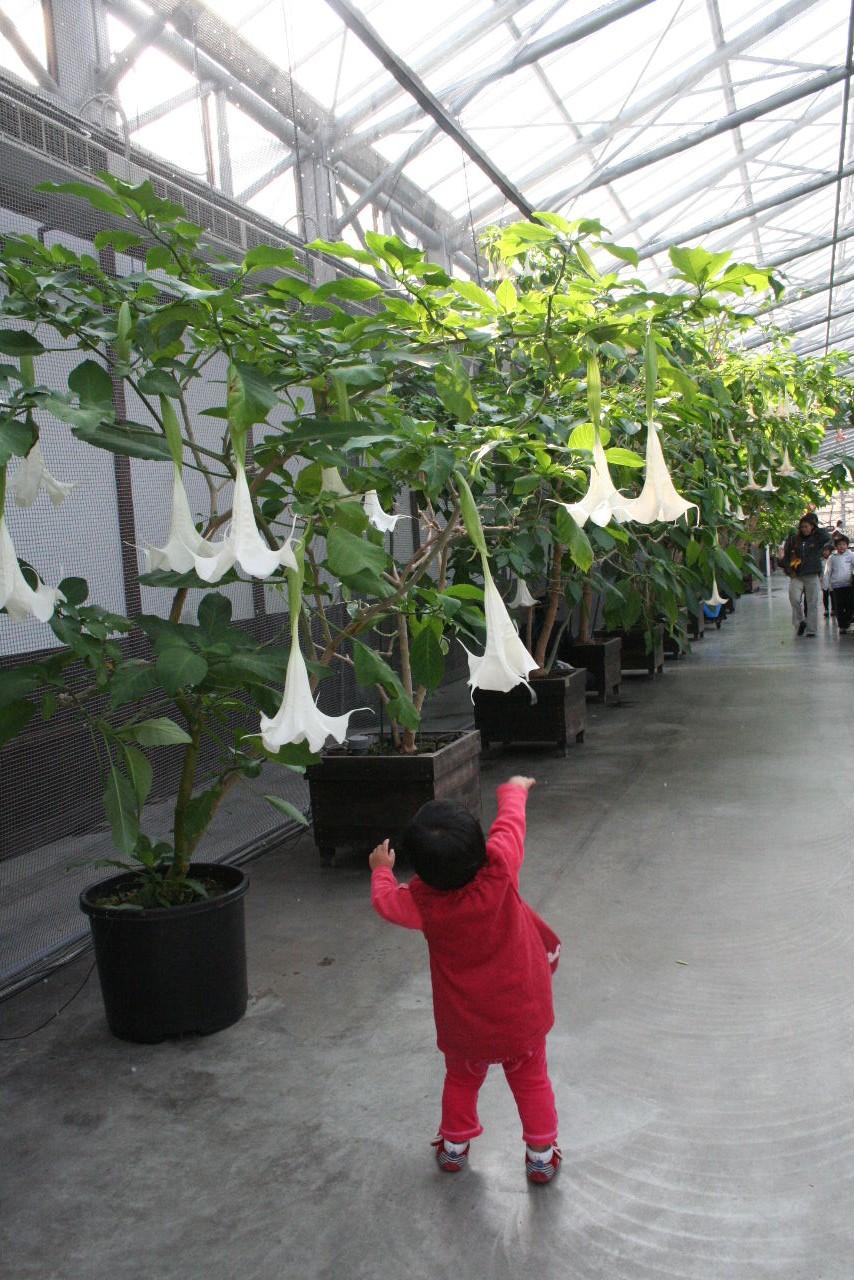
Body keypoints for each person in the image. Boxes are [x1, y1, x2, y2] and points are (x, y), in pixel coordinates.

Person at [369, 776, 562, 1184]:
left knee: (461, 1079)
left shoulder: (423, 906)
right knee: (531, 1081)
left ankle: (454, 1148)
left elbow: (386, 903)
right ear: (479, 846)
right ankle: (541, 1156)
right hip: (523, 1014)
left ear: (422, 869)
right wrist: (514, 789)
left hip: (465, 1025)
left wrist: (382, 872)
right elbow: (510, 825)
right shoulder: (501, 868)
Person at [780, 513, 832, 636]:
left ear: (812, 526)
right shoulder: (794, 539)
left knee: (812, 602)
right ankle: (800, 622)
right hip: (796, 575)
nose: (804, 529)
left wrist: (816, 527)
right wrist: (789, 571)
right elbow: (786, 556)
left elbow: (827, 537)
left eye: (807, 526)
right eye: (802, 527)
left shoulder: (817, 539)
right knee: (794, 599)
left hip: (812, 575)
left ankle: (811, 630)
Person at [825, 534, 854, 633]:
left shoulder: (851, 555)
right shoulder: (832, 557)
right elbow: (828, 571)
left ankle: (847, 622)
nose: (842, 546)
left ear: (847, 545)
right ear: (836, 546)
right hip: (836, 586)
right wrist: (826, 585)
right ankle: (842, 626)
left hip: (849, 585)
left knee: (850, 605)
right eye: (839, 544)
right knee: (839, 607)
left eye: (844, 544)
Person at [821, 544, 835, 618]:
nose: (825, 552)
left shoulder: (833, 559)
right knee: (825, 596)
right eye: (824, 551)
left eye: (826, 550)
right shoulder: (821, 561)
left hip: (832, 580)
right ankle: (826, 609)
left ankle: (833, 609)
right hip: (824, 580)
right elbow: (820, 571)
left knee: (833, 596)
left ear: (830, 551)